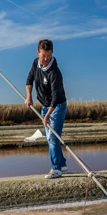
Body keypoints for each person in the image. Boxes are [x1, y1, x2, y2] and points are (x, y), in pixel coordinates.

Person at [25, 39, 67, 179]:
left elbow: (55, 97)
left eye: (48, 56)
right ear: (38, 52)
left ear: (52, 53)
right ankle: (62, 164)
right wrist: (29, 96)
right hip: (44, 105)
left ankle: (56, 169)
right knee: (51, 137)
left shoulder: (55, 72)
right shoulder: (35, 63)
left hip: (57, 106)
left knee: (52, 138)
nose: (46, 59)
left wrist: (48, 115)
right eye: (43, 55)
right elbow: (29, 80)